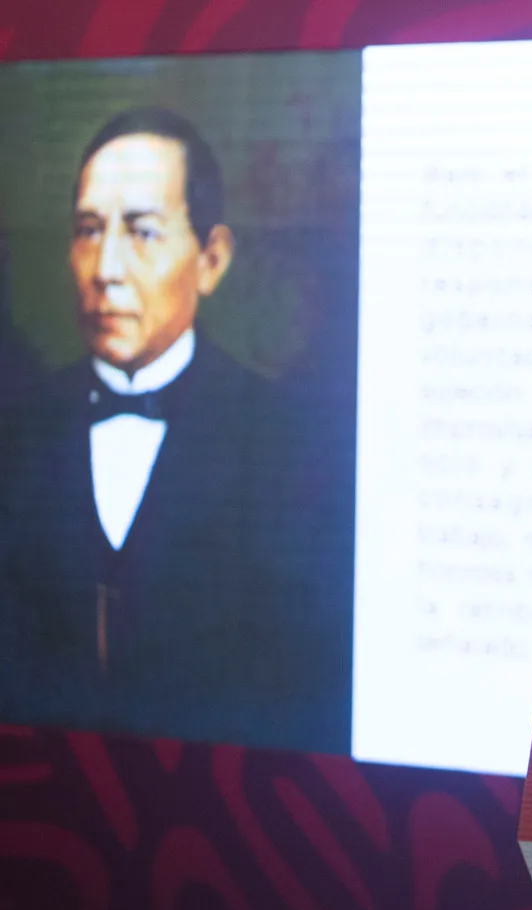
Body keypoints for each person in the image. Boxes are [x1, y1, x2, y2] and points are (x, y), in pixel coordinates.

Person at [0, 108, 346, 752]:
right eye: (88, 231)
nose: (105, 267)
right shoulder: (18, 429)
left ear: (211, 259)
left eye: (142, 232)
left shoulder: (285, 439)